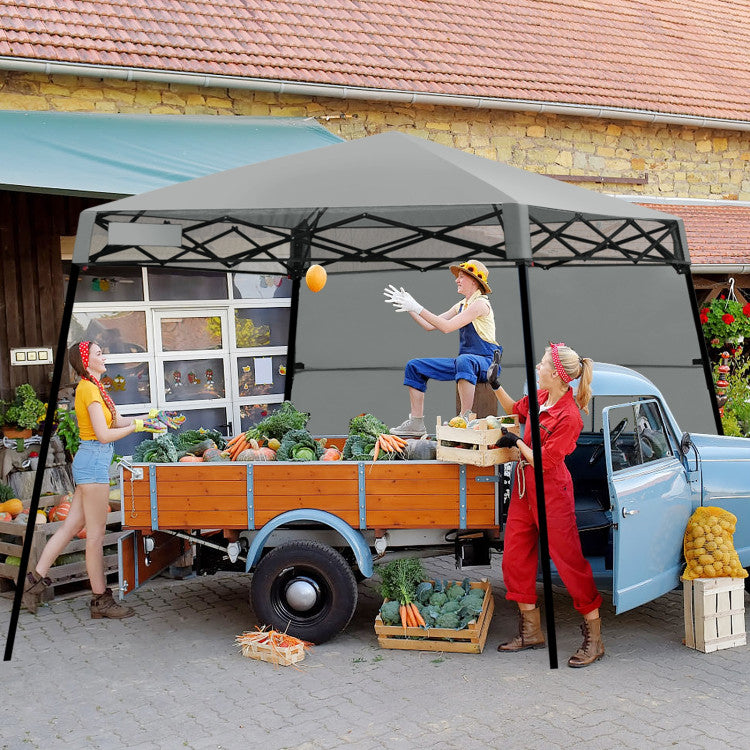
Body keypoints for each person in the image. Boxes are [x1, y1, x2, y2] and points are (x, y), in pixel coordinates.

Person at [22, 341, 181, 618]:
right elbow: (104, 435)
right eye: (98, 353)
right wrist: (138, 427)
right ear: (86, 361)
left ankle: (32, 582)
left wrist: (150, 417)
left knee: (70, 527)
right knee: (95, 537)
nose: (103, 355)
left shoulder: (95, 388)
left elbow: (116, 421)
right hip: (94, 463)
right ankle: (100, 601)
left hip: (90, 461)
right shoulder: (88, 390)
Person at [489, 342, 604, 667]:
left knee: (569, 563)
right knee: (514, 558)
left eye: (540, 365)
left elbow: (546, 460)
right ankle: (530, 632)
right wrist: (495, 384)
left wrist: (518, 442)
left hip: (552, 491)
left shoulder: (570, 417)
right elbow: (515, 408)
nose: (537, 369)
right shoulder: (540, 399)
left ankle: (594, 639)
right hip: (526, 490)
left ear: (556, 374)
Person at [383, 259, 502, 437]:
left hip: (486, 363)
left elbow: (446, 328)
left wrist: (418, 307)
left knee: (464, 361)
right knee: (414, 366)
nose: (457, 280)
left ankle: (465, 418)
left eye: (461, 277)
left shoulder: (481, 304)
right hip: (467, 362)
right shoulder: (461, 305)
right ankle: (416, 422)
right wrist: (409, 307)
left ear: (474, 281)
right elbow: (430, 325)